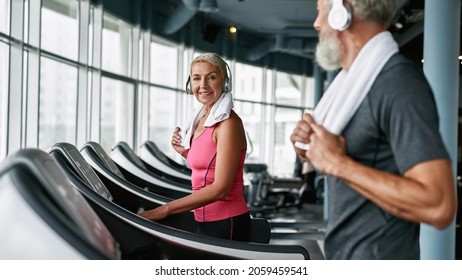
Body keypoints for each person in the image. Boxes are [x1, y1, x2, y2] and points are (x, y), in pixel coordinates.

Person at [290, 0, 457, 259]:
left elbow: (439, 204)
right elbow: (344, 161)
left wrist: (337, 163)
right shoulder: (350, 88)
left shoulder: (398, 83)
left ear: (340, 13)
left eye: (320, 9)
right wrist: (313, 149)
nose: (316, 23)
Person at [139, 52, 251, 242]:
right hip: (205, 220)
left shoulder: (228, 123)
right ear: (190, 83)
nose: (203, 85)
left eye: (212, 77)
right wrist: (186, 152)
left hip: (227, 221)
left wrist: (165, 210)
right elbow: (211, 165)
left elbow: (221, 188)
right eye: (196, 78)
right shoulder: (200, 119)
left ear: (225, 82)